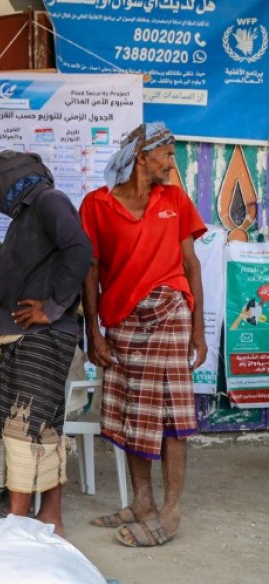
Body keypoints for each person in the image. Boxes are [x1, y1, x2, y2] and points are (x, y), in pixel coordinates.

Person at [80, 122, 206, 548]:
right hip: (121, 320)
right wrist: (93, 330)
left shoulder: (175, 199)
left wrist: (198, 330)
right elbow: (90, 271)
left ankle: (171, 511)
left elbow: (191, 265)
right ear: (142, 156)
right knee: (132, 410)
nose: (172, 163)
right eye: (167, 154)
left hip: (170, 310)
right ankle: (142, 502)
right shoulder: (96, 204)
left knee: (172, 412)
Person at [0, 151, 93, 536]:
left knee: (25, 425)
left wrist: (53, 306)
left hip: (40, 337)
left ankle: (18, 522)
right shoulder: (27, 215)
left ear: (11, 179)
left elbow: (80, 250)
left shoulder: (48, 200)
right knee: (43, 427)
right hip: (27, 337)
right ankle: (48, 518)